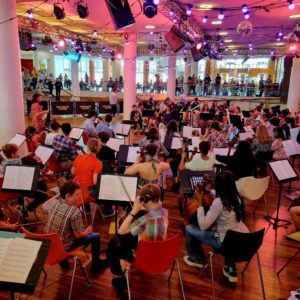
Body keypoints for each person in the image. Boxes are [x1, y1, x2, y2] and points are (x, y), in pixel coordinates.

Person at [184, 171, 249, 283]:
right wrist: (210, 191)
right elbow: (224, 195)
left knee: (189, 229)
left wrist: (200, 203)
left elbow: (203, 225)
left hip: (225, 243)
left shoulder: (219, 202)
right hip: (242, 241)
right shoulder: (237, 198)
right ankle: (230, 268)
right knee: (229, 231)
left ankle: (197, 258)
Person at [107, 183, 168, 289]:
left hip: (143, 258)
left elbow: (120, 231)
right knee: (127, 238)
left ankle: (118, 276)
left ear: (145, 200)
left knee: (114, 242)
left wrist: (134, 210)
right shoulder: (164, 212)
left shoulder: (144, 220)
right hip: (159, 252)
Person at [45, 181, 106, 273]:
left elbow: (44, 206)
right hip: (64, 247)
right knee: (96, 236)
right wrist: (88, 231)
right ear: (68, 196)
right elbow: (78, 235)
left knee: (64, 231)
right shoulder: (74, 211)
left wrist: (58, 195)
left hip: (51, 244)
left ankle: (63, 263)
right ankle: (96, 266)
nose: (80, 197)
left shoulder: (53, 203)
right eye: (77, 195)